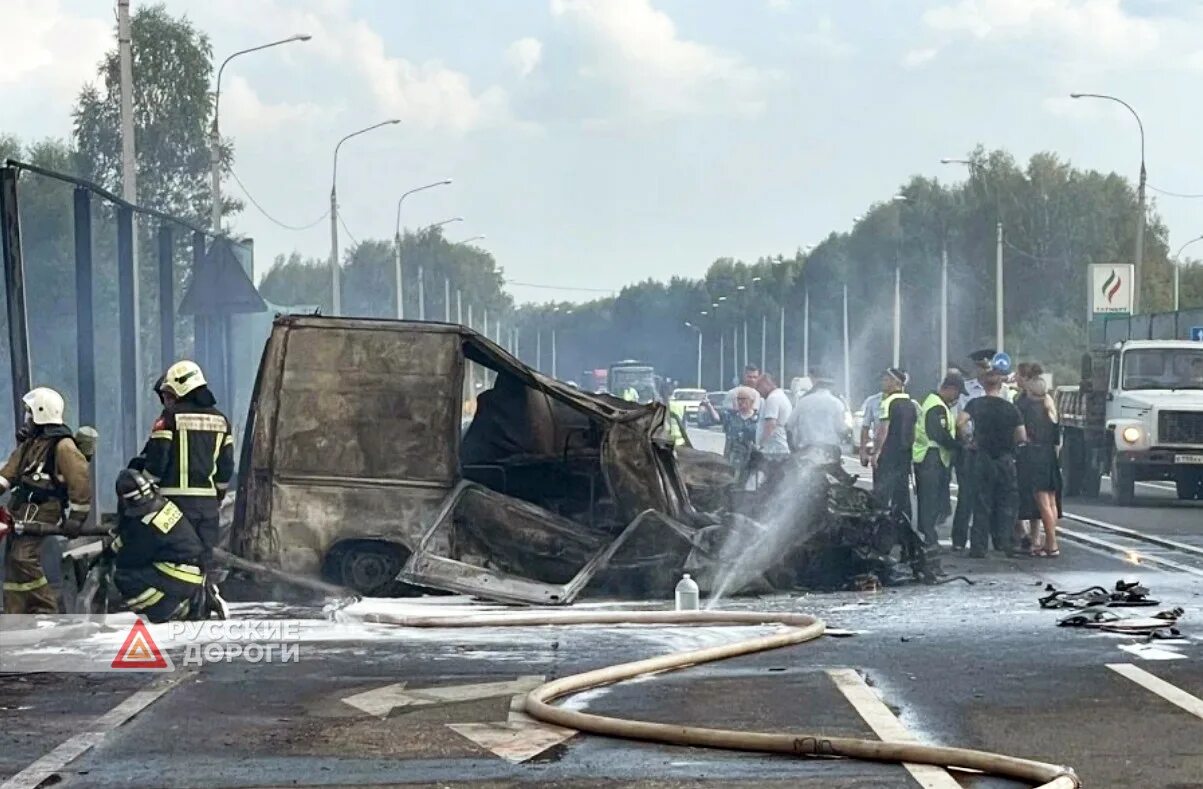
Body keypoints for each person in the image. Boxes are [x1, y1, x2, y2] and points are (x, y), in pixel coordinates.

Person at [133, 361, 234, 575]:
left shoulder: (169, 419)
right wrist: (217, 495)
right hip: (207, 509)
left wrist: (144, 489)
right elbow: (225, 467)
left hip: (173, 506)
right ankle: (204, 603)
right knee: (202, 565)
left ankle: (177, 605)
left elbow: (156, 462)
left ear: (181, 387)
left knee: (172, 562)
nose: (167, 400)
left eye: (169, 394)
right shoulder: (222, 420)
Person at [0, 388, 92, 614]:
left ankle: (46, 609)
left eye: (30, 413)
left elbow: (79, 480)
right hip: (21, 508)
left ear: (41, 413)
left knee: (23, 558)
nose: (27, 419)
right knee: (12, 562)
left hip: (44, 509)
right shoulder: (30, 444)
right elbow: (8, 474)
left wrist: (77, 517)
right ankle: (17, 613)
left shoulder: (63, 446)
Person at [109, 469, 215, 622]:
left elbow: (131, 558)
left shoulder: (147, 525)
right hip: (195, 572)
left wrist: (112, 557)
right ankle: (186, 600)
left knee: (125, 576)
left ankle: (167, 609)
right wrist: (112, 548)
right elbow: (131, 535)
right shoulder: (165, 506)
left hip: (179, 574)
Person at [958, 354, 1026, 558]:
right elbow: (1021, 435)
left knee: (981, 502)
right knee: (1005, 502)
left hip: (982, 457)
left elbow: (960, 422)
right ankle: (1003, 543)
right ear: (1000, 386)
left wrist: (968, 439)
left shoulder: (975, 404)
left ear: (984, 385)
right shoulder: (1011, 408)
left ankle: (978, 547)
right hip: (1005, 459)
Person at [912, 373, 965, 548]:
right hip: (931, 457)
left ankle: (928, 535)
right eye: (957, 393)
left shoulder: (935, 403)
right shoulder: (936, 406)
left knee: (932, 499)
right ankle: (929, 538)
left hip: (932, 457)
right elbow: (938, 433)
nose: (957, 398)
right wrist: (958, 446)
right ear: (950, 389)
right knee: (929, 500)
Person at [1016, 365, 1061, 557]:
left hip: (1035, 456)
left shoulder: (1028, 408)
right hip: (1049, 455)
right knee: (1051, 502)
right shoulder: (1049, 406)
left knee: (1042, 502)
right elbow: (1057, 439)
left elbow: (1023, 435)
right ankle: (1049, 541)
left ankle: (1051, 544)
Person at [950, 349, 994, 551]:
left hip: (994, 450)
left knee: (991, 496)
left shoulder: (1003, 391)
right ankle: (959, 539)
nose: (985, 372)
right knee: (967, 496)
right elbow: (957, 420)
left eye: (988, 368)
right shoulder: (966, 391)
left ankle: (991, 539)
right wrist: (967, 440)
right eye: (982, 368)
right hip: (970, 449)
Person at [873, 368, 917, 525]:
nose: (882, 382)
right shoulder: (911, 404)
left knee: (882, 493)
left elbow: (883, 429)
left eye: (886, 380)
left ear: (896, 383)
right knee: (902, 493)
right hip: (905, 454)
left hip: (889, 453)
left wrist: (876, 452)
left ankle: (879, 528)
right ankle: (903, 528)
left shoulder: (888, 402)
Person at [702, 386, 758, 484]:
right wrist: (709, 406)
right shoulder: (731, 416)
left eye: (743, 399)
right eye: (738, 399)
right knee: (730, 485)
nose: (740, 402)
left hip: (750, 461)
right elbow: (717, 418)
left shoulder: (758, 419)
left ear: (751, 401)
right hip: (731, 460)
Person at [786, 369, 845, 460]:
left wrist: (793, 449)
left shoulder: (803, 402)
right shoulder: (837, 403)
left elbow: (789, 426)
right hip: (830, 450)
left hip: (807, 449)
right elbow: (841, 429)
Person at [858, 388, 884, 467]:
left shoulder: (908, 402)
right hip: (879, 450)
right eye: (885, 379)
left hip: (901, 451)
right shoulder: (874, 401)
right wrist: (863, 451)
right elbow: (865, 427)